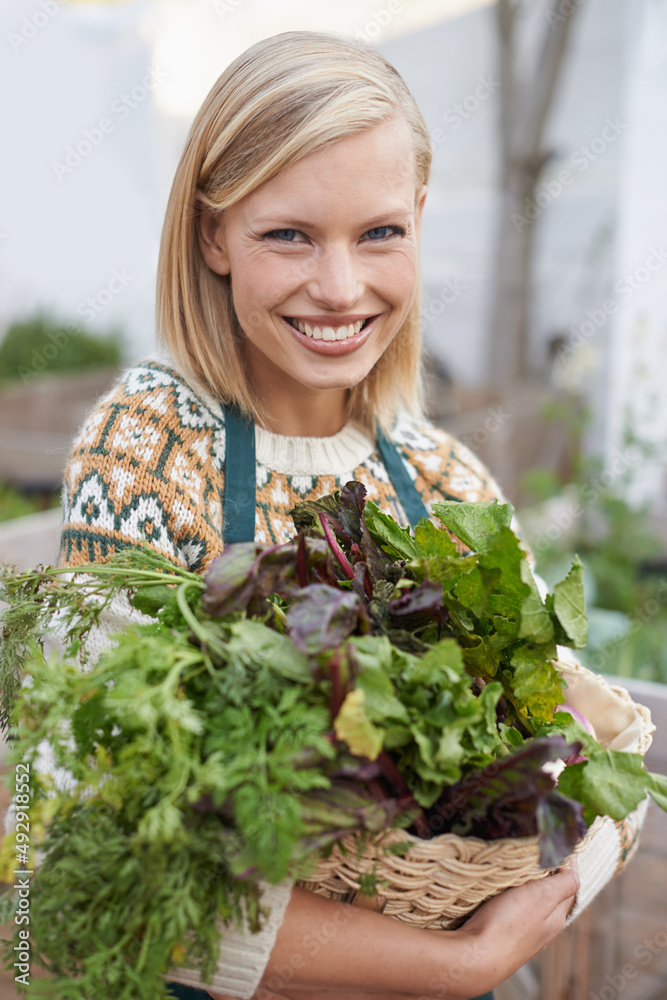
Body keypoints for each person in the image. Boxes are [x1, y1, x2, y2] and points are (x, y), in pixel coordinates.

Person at [56, 30, 580, 1000]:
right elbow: (103, 848)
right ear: (213, 234)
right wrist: (457, 963)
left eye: (378, 232)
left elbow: (583, 746)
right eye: (288, 234)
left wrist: (545, 889)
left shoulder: (444, 475)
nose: (340, 288)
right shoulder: (148, 444)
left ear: (419, 219)